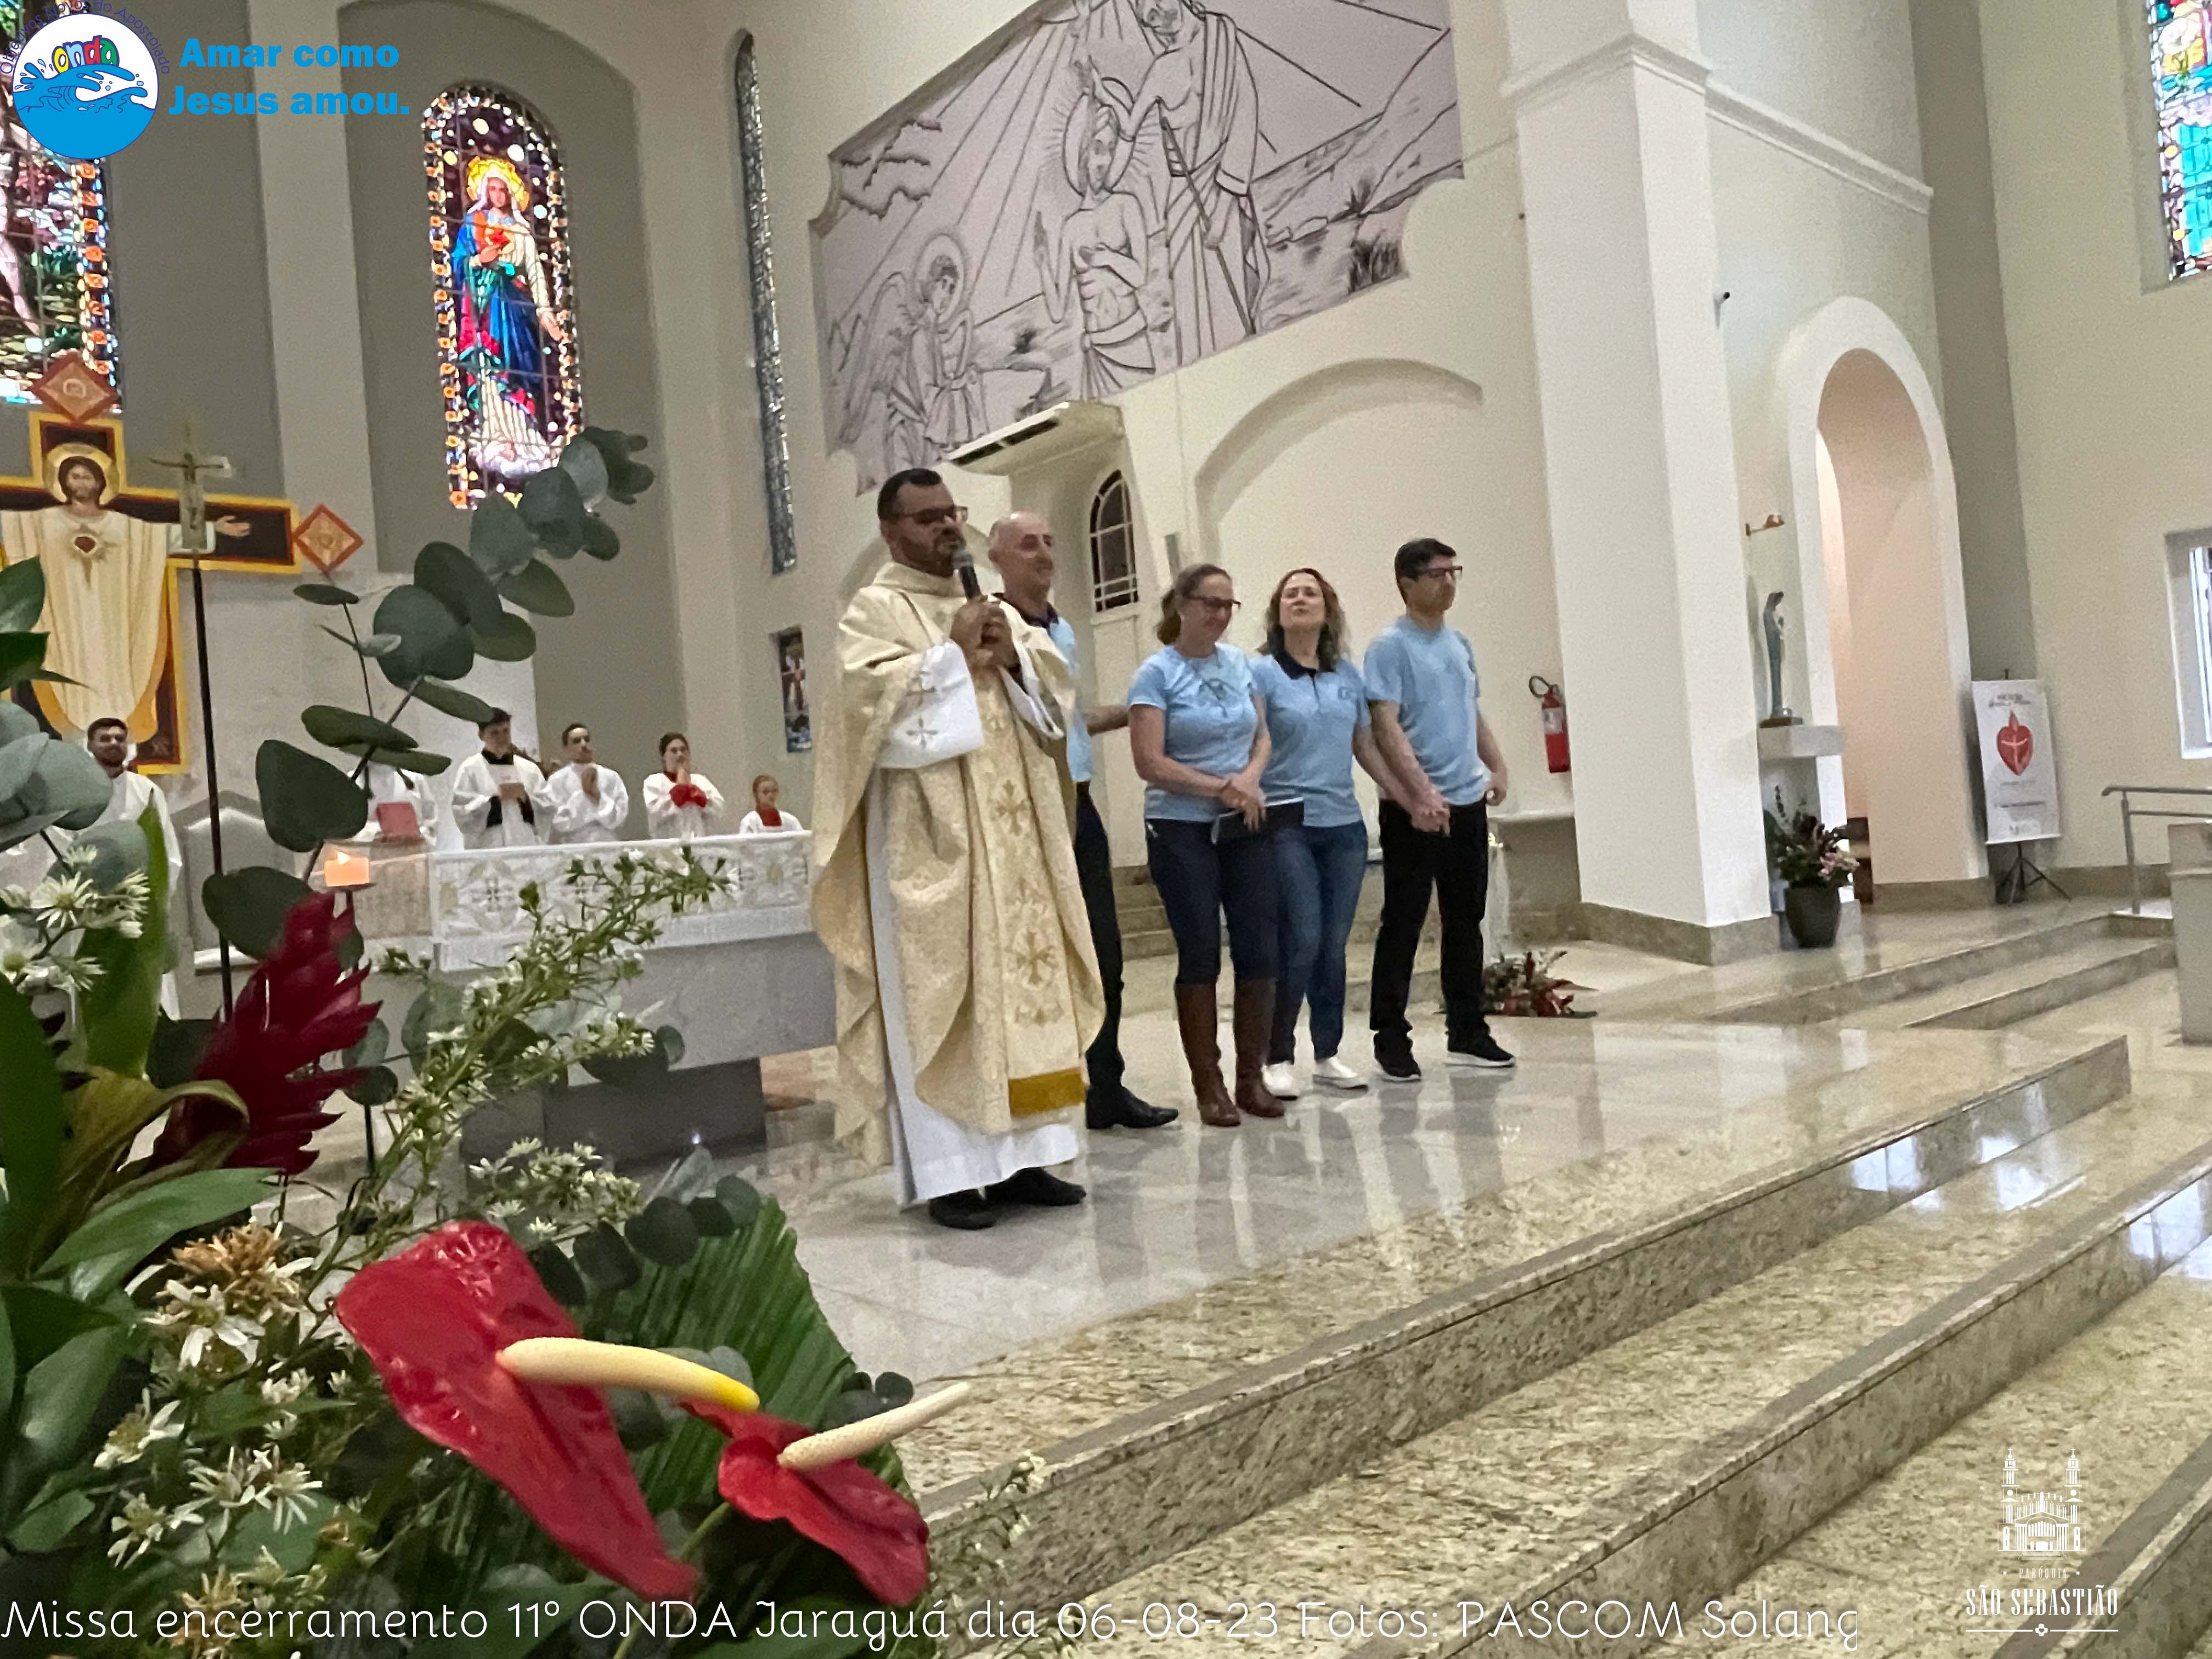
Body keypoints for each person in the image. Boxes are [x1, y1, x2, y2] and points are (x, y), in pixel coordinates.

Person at [812, 467, 1103, 1231]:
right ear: (890, 531)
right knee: (941, 997)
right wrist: (948, 655)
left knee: (1022, 993)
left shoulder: (993, 606)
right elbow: (860, 709)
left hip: (1014, 843)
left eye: (952, 513)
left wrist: (1014, 658)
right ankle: (953, 1177)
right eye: (927, 518)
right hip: (931, 842)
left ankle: (1027, 1161)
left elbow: (1054, 699)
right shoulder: (875, 610)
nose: (947, 528)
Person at [989, 511, 1175, 1132]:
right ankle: (1039, 1095)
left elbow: (1064, 718)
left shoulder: (1061, 628)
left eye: (1049, 541)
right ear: (997, 558)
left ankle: (1107, 1085)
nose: (1044, 553)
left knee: (1104, 952)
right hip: (1026, 807)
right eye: (1027, 544)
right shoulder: (995, 627)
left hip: (1079, 800)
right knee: (1036, 957)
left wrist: (1133, 712)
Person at [1128, 563, 1277, 1128]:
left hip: (1243, 819)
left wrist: (1249, 779)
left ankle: (1251, 1078)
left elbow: (1262, 737)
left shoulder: (1241, 665)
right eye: (1210, 603)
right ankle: (1208, 1083)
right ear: (1182, 606)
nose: (1220, 615)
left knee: (1259, 946)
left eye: (1228, 605)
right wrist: (1219, 786)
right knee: (1200, 952)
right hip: (1181, 825)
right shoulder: (1156, 674)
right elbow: (1150, 762)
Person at [1364, 538, 1514, 1081]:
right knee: (1404, 923)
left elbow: (1470, 711)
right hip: (1415, 810)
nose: (1449, 582)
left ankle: (1467, 1030)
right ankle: (1391, 1037)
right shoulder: (1390, 647)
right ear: (1407, 584)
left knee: (1465, 921)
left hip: (1467, 803)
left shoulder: (1459, 643)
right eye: (1437, 574)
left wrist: (1496, 765)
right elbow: (1386, 725)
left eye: (1455, 571)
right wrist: (1421, 793)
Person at [1250, 569, 1402, 1098]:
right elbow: (1254, 741)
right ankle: (1277, 1054)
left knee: (1333, 946)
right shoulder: (1261, 673)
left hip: (1343, 827)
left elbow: (1365, 746)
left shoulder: (1347, 677)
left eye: (1310, 593)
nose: (1300, 599)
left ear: (1327, 609)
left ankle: (1328, 1052)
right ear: (1277, 610)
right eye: (1290, 593)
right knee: (1303, 938)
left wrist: (1402, 795)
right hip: (1286, 823)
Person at [79, 716, 182, 1015]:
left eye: (119, 738)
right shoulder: (77, 794)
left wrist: (152, 897)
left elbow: (167, 853)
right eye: (105, 739)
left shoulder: (146, 791)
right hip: (91, 907)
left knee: (146, 992)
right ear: (90, 745)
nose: (114, 743)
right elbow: (65, 850)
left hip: (140, 905)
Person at [448, 710, 553, 850]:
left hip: (525, 846)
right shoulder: (470, 769)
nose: (502, 738)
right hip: (488, 849)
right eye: (495, 733)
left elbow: (548, 810)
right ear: (481, 735)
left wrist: (526, 799)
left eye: (506, 731)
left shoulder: (529, 769)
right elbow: (462, 814)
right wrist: (496, 800)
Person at [545, 721, 631, 845]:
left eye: (587, 739)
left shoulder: (611, 777)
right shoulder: (557, 780)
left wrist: (598, 797)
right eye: (577, 741)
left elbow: (620, 816)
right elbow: (558, 821)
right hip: (573, 847)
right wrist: (583, 795)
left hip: (607, 844)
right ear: (566, 749)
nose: (584, 744)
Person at [642, 733, 725, 839]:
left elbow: (719, 809)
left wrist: (700, 797)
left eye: (683, 750)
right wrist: (681, 790)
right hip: (668, 844)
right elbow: (656, 811)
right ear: (664, 757)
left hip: (699, 843)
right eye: (674, 751)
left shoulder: (701, 781)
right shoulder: (654, 781)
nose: (680, 755)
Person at [738, 774, 804, 836]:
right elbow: (745, 843)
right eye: (766, 792)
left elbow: (802, 840)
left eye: (774, 791)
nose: (771, 795)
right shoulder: (750, 821)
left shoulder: (790, 820)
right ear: (756, 795)